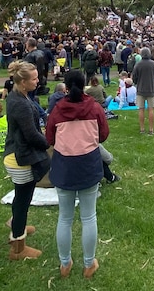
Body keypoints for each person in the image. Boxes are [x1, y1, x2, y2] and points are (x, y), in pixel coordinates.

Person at [45, 69, 109, 279]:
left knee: (65, 217)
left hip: (64, 165)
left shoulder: (57, 110)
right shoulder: (94, 108)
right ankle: (88, 263)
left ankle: (66, 264)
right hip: (87, 164)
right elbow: (104, 134)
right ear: (84, 85)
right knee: (88, 216)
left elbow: (49, 137)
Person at [3, 60, 50, 260]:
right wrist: (48, 141)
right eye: (34, 78)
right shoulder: (20, 103)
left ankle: (17, 225)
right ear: (22, 82)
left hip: (16, 153)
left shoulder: (17, 96)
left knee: (21, 196)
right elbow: (31, 134)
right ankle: (18, 247)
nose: (37, 81)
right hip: (20, 158)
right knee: (23, 200)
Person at [131, 47, 154, 135]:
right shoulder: (153, 64)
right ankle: (151, 129)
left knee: (141, 109)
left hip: (140, 89)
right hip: (151, 89)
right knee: (151, 110)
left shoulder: (138, 64)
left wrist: (137, 83)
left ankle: (142, 129)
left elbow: (134, 77)